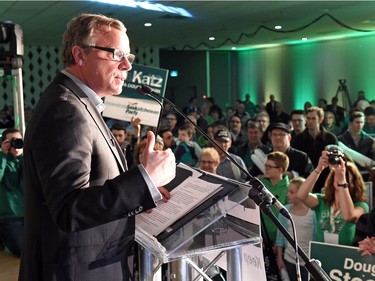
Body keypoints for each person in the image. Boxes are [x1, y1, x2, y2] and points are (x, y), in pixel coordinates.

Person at [19, 13, 176, 281]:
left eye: (129, 56)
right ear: (80, 55)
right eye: (116, 54)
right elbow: (70, 208)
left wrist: (143, 194)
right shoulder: (65, 109)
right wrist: (143, 180)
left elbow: (95, 186)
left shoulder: (78, 103)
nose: (127, 65)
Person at [297, 147, 368, 246]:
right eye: (336, 175)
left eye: (347, 177)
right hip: (323, 255)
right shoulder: (322, 201)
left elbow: (349, 216)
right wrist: (318, 169)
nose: (340, 177)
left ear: (354, 183)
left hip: (346, 256)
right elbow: (301, 195)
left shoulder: (361, 205)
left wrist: (342, 181)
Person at [275, 177, 316, 281]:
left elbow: (317, 238)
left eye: (292, 192)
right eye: (288, 191)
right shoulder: (285, 211)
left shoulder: (313, 213)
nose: (288, 194)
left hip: (308, 261)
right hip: (289, 259)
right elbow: (280, 237)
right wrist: (280, 258)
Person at [292, 106, 337, 193]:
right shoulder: (299, 139)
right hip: (306, 178)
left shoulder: (330, 138)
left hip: (326, 177)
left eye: (313, 118)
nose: (310, 121)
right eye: (308, 118)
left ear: (320, 120)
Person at [0, 128, 24, 257]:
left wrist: (22, 155)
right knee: (23, 251)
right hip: (8, 216)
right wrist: (3, 155)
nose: (15, 144)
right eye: (11, 141)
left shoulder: (28, 159)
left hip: (30, 215)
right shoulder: (1, 158)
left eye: (18, 141)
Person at [260, 151, 290, 244]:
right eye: (265, 166)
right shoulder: (261, 185)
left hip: (280, 241)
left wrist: (280, 244)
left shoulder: (289, 188)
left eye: (269, 167)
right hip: (262, 237)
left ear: (280, 170)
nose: (266, 169)